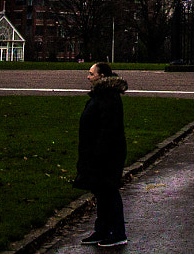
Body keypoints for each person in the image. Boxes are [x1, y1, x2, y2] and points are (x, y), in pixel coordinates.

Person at [75, 61, 128, 248]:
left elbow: (108, 130)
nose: (88, 77)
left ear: (102, 76)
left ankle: (117, 232)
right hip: (99, 152)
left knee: (108, 192)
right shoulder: (102, 95)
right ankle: (103, 230)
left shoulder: (108, 97)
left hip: (107, 154)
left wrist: (98, 153)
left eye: (91, 74)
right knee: (102, 192)